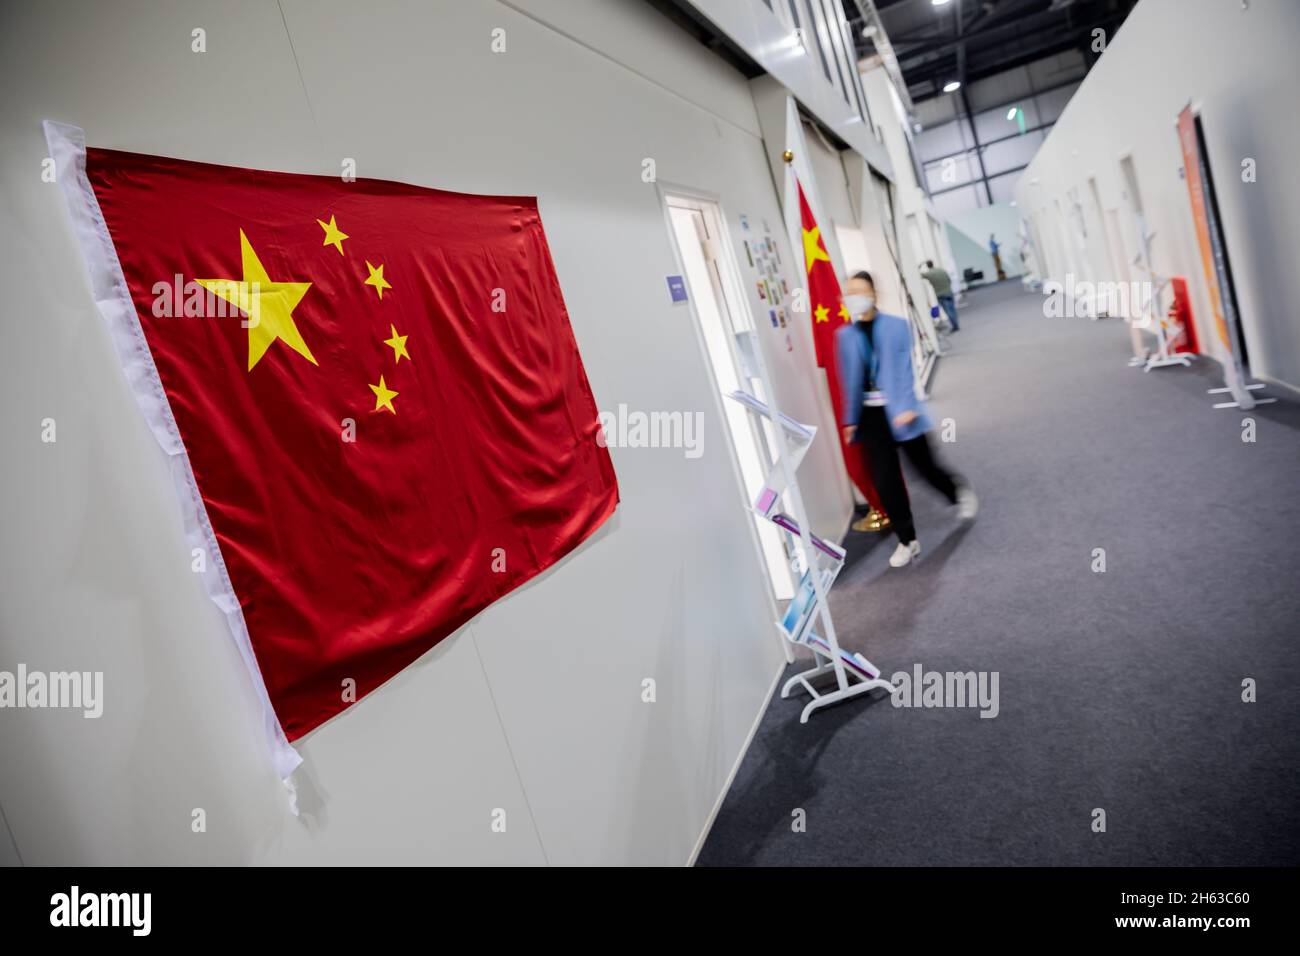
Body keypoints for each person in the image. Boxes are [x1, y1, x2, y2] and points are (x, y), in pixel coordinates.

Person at [835, 271, 977, 568]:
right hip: (871, 418)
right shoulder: (844, 337)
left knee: (925, 468)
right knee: (886, 481)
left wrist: (906, 407)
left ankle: (957, 491)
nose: (854, 296)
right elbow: (847, 381)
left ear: (873, 293)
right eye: (849, 291)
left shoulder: (897, 326)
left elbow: (903, 371)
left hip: (902, 410)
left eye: (859, 290)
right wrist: (850, 420)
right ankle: (907, 540)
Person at [921, 259, 959, 332]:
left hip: (940, 294)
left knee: (948, 311)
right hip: (949, 292)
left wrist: (919, 265)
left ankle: (955, 325)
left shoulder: (929, 274)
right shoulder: (942, 270)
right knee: (952, 309)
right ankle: (956, 324)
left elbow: (920, 274)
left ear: (927, 266)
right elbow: (949, 280)